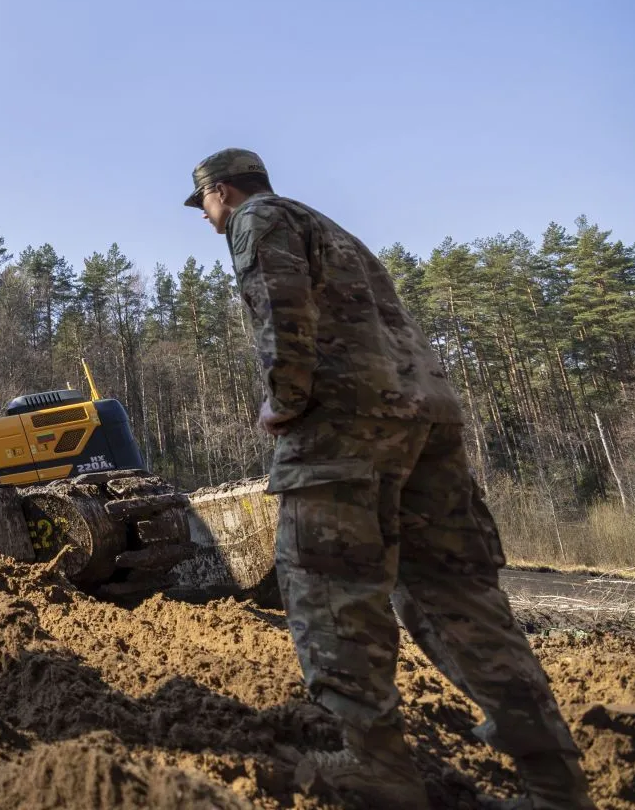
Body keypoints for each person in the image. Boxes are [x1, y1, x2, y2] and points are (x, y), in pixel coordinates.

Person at [186, 148, 593, 810]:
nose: (206, 218)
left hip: (346, 428)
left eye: (203, 205)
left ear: (222, 192)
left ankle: (375, 764)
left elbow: (278, 311)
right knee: (457, 598)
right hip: (427, 420)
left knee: (328, 589)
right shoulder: (337, 232)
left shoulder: (256, 219)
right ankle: (556, 786)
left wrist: (284, 399)